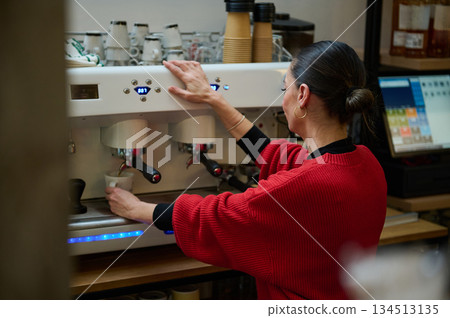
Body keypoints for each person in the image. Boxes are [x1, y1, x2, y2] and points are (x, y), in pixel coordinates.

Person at [105, 41, 387, 300]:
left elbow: (211, 217)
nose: (282, 100)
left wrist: (135, 209)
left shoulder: (305, 185)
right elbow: (268, 150)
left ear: (302, 95)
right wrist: (213, 98)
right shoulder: (367, 164)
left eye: (284, 89)